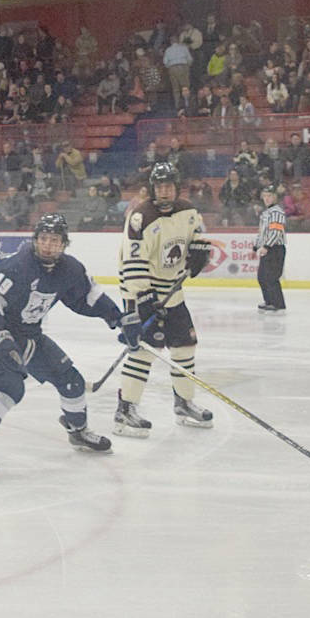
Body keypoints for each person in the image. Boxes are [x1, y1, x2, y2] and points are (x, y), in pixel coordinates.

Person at [0, 214, 135, 481]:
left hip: (28, 336)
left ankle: (78, 431)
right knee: (11, 386)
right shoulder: (16, 267)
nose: (49, 245)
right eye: (44, 239)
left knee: (71, 380)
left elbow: (88, 297)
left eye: (55, 240)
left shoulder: (70, 269)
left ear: (64, 244)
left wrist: (119, 318)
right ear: (35, 240)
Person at [115, 162, 215, 437]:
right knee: (143, 350)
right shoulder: (140, 217)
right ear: (152, 188)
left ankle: (183, 403)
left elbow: (197, 239)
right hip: (140, 293)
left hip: (172, 291)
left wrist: (198, 254)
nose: (165, 191)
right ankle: (125, 411)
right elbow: (132, 261)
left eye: (169, 186)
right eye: (159, 187)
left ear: (177, 187)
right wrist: (144, 301)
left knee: (184, 346)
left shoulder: (188, 211)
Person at [254, 186, 287, 312]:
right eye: (265, 196)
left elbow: (276, 232)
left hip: (275, 248)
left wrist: (267, 246)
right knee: (262, 276)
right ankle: (269, 301)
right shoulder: (266, 213)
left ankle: (277, 303)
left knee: (271, 277)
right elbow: (262, 232)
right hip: (267, 248)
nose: (266, 199)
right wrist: (256, 245)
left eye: (269, 196)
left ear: (275, 197)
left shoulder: (276, 212)